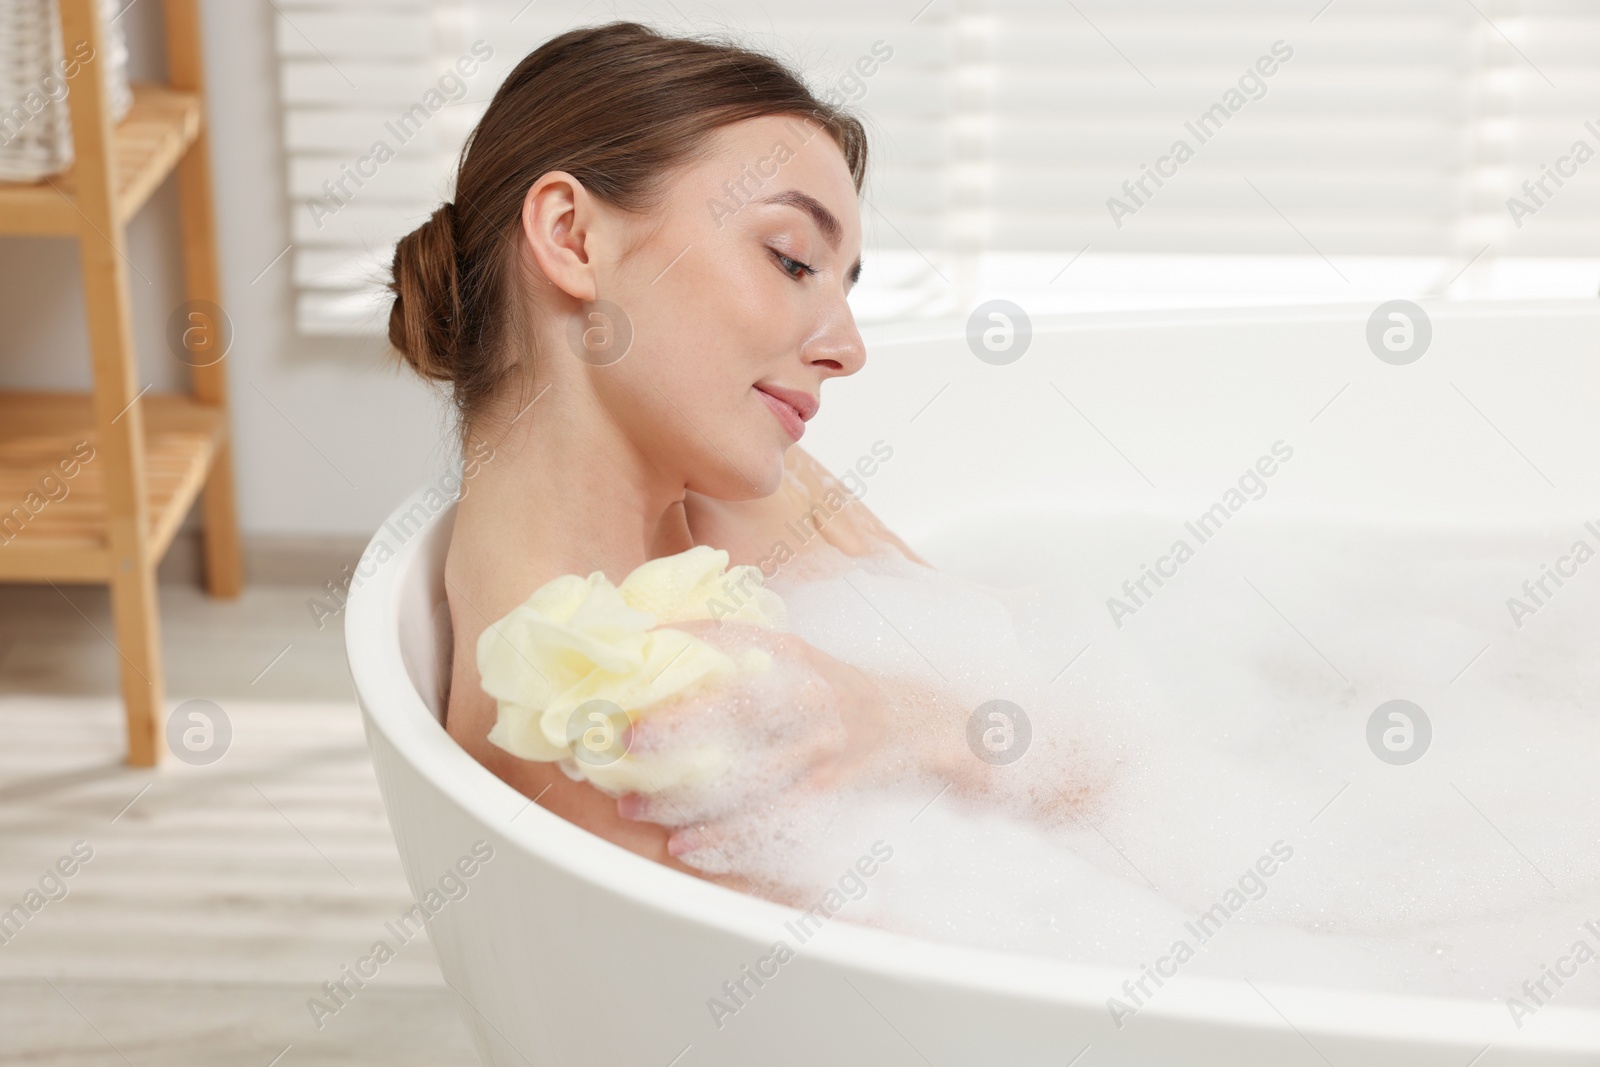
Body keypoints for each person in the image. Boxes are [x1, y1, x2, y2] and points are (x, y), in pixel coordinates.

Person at [385, 21, 952, 889]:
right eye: (793, 260)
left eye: (843, 282)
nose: (848, 348)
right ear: (573, 237)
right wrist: (903, 719)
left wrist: (894, 717)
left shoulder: (732, 479)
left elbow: (1052, 703)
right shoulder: (587, 719)